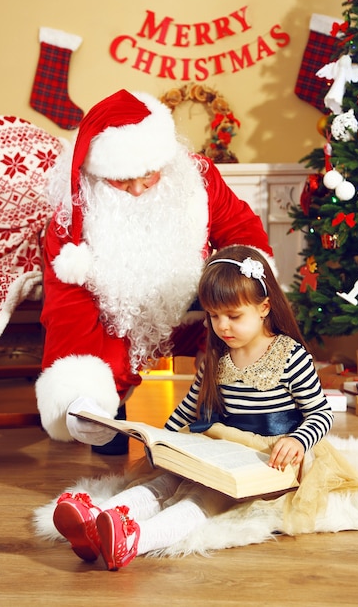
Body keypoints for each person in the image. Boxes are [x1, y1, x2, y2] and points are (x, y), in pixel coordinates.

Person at [51, 244, 336, 572]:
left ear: (264, 308)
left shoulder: (290, 356)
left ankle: (135, 539)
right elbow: (189, 408)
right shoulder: (219, 357)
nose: (223, 326)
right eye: (214, 316)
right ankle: (96, 519)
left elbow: (321, 413)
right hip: (224, 448)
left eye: (233, 316)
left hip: (270, 457)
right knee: (165, 481)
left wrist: (298, 440)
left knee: (201, 497)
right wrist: (161, 440)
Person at [35, 89, 274, 456]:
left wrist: (238, 285)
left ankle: (239, 417)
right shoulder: (71, 220)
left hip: (197, 306)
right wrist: (80, 389)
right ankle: (108, 421)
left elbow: (241, 228)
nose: (136, 188)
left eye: (147, 174)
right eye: (121, 179)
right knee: (99, 382)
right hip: (116, 316)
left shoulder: (198, 178)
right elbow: (68, 308)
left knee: (241, 324)